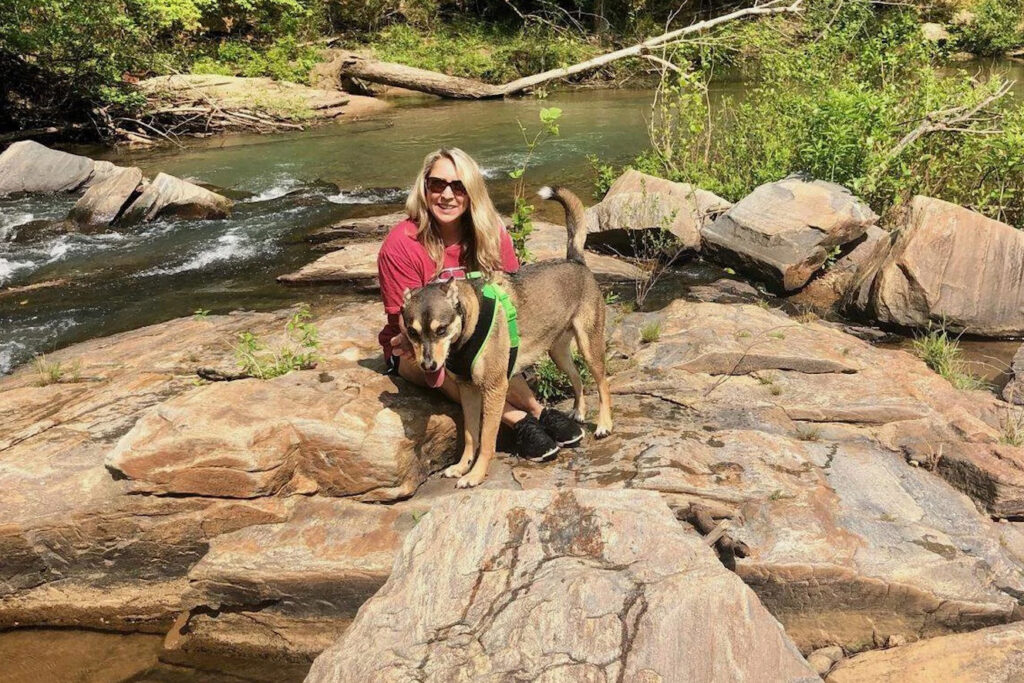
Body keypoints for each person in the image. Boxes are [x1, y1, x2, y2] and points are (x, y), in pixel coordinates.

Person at [377, 147, 583, 462]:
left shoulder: (490, 233)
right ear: (424, 188)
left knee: (488, 364)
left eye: (458, 186)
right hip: (415, 348)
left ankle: (538, 410)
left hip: (478, 340)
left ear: (472, 190)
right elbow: (403, 327)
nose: (447, 195)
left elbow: (515, 298)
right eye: (437, 185)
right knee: (456, 366)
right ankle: (518, 420)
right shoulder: (402, 245)